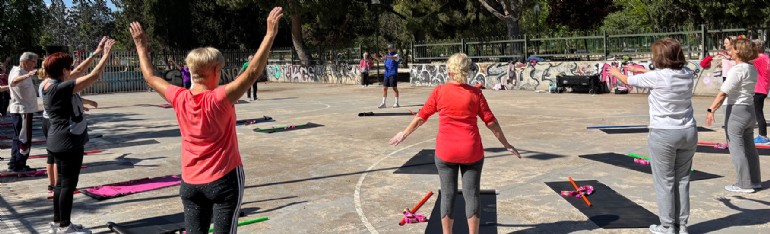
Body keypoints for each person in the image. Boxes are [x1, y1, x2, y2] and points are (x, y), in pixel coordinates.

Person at [129, 7, 282, 233]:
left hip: (191, 183)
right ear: (216, 70)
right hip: (224, 180)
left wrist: (141, 46)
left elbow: (150, 78)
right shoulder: (219, 98)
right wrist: (269, 35)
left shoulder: (179, 97)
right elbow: (251, 73)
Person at [389, 53, 521, 234]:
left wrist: (404, 134)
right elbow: (491, 122)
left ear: (449, 70)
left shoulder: (439, 91)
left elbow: (421, 117)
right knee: (472, 195)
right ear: (467, 71)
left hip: (446, 152)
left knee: (448, 195)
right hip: (471, 152)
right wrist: (506, 143)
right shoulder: (476, 93)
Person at [609, 38, 697, 234]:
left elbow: (628, 81)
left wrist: (616, 73)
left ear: (659, 57)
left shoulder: (657, 77)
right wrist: (644, 71)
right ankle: (682, 226)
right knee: (682, 180)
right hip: (688, 132)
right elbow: (666, 76)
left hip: (664, 133)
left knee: (664, 181)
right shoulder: (687, 74)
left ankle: (667, 226)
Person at [43, 37, 115, 234]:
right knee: (68, 185)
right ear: (64, 71)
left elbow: (80, 71)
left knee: (60, 184)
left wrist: (96, 51)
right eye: (69, 67)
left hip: (56, 140)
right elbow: (93, 76)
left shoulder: (46, 85)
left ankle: (57, 224)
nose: (72, 69)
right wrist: (106, 55)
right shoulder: (61, 88)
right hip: (69, 142)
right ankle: (66, 227)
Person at [705, 38, 763, 194]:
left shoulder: (737, 70)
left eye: (732, 48)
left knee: (737, 148)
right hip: (748, 109)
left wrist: (711, 109)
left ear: (738, 51)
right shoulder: (751, 68)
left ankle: (744, 184)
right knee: (749, 147)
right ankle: (755, 181)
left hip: (736, 110)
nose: (730, 50)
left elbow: (724, 92)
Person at [6, 52, 39, 172]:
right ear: (25, 61)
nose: (35, 64)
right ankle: (20, 163)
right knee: (24, 138)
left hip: (22, 109)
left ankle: (14, 162)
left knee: (18, 137)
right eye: (34, 62)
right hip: (23, 110)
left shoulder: (19, 71)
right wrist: (26, 76)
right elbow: (14, 82)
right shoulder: (19, 72)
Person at [751, 39, 770, 144]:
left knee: (758, 112)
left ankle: (763, 136)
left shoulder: (758, 59)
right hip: (764, 88)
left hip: (759, 88)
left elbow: (744, 61)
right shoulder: (767, 57)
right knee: (758, 111)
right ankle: (762, 136)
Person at [372, 44, 400, 108]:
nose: (389, 50)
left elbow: (393, 58)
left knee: (394, 88)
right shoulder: (387, 56)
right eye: (388, 49)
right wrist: (375, 57)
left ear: (393, 49)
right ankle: (383, 103)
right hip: (386, 74)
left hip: (393, 74)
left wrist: (385, 56)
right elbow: (380, 60)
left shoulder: (396, 55)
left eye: (390, 48)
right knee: (385, 88)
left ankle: (396, 103)